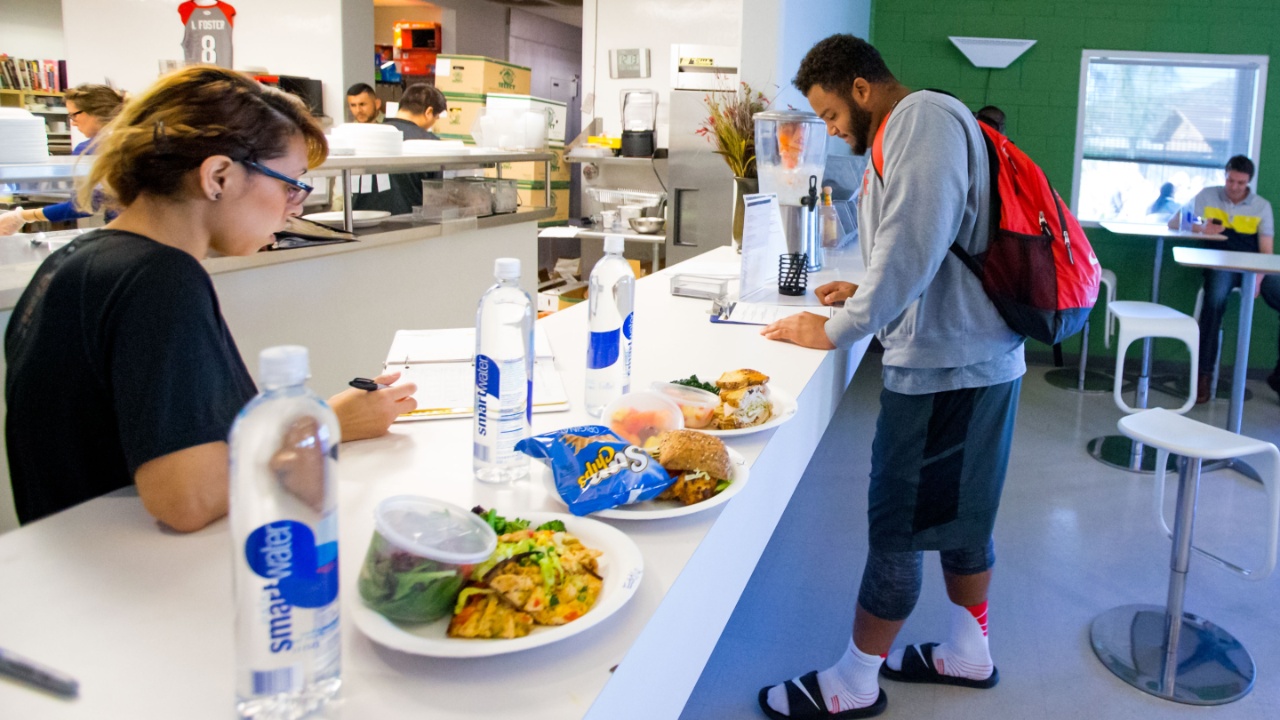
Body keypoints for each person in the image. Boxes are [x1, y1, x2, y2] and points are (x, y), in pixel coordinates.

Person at [5, 66, 418, 531]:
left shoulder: (85, 259)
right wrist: (327, 425)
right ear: (218, 176)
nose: (295, 209)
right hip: (132, 583)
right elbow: (189, 498)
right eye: (291, 186)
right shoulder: (159, 279)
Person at [757, 34, 1023, 719]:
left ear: (862, 88)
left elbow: (911, 245)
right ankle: (970, 651)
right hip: (969, 358)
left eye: (834, 114)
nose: (833, 129)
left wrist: (837, 328)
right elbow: (921, 247)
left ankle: (854, 681)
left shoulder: (921, 120)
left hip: (948, 369)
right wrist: (862, 287)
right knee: (964, 519)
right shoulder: (901, 134)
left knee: (897, 528)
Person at [1166, 156, 1278, 404]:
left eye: (1240, 182)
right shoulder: (1207, 196)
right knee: (1214, 301)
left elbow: (1266, 252)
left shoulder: (1261, 206)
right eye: (1230, 180)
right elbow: (1173, 221)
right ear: (1225, 175)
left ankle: (1279, 377)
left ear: (1249, 181)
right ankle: (1203, 375)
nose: (1234, 186)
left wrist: (1259, 278)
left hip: (1253, 267)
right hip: (1219, 265)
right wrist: (1200, 227)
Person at [0, 84, 126, 235]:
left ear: (96, 112)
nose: (72, 122)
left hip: (126, 232)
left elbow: (83, 207)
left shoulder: (89, 149)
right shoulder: (136, 140)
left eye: (74, 115)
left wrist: (22, 216)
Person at [353, 83, 448, 216]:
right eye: (436, 118)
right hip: (407, 227)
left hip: (362, 224)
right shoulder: (430, 143)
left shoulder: (368, 135)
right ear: (429, 112)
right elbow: (435, 200)